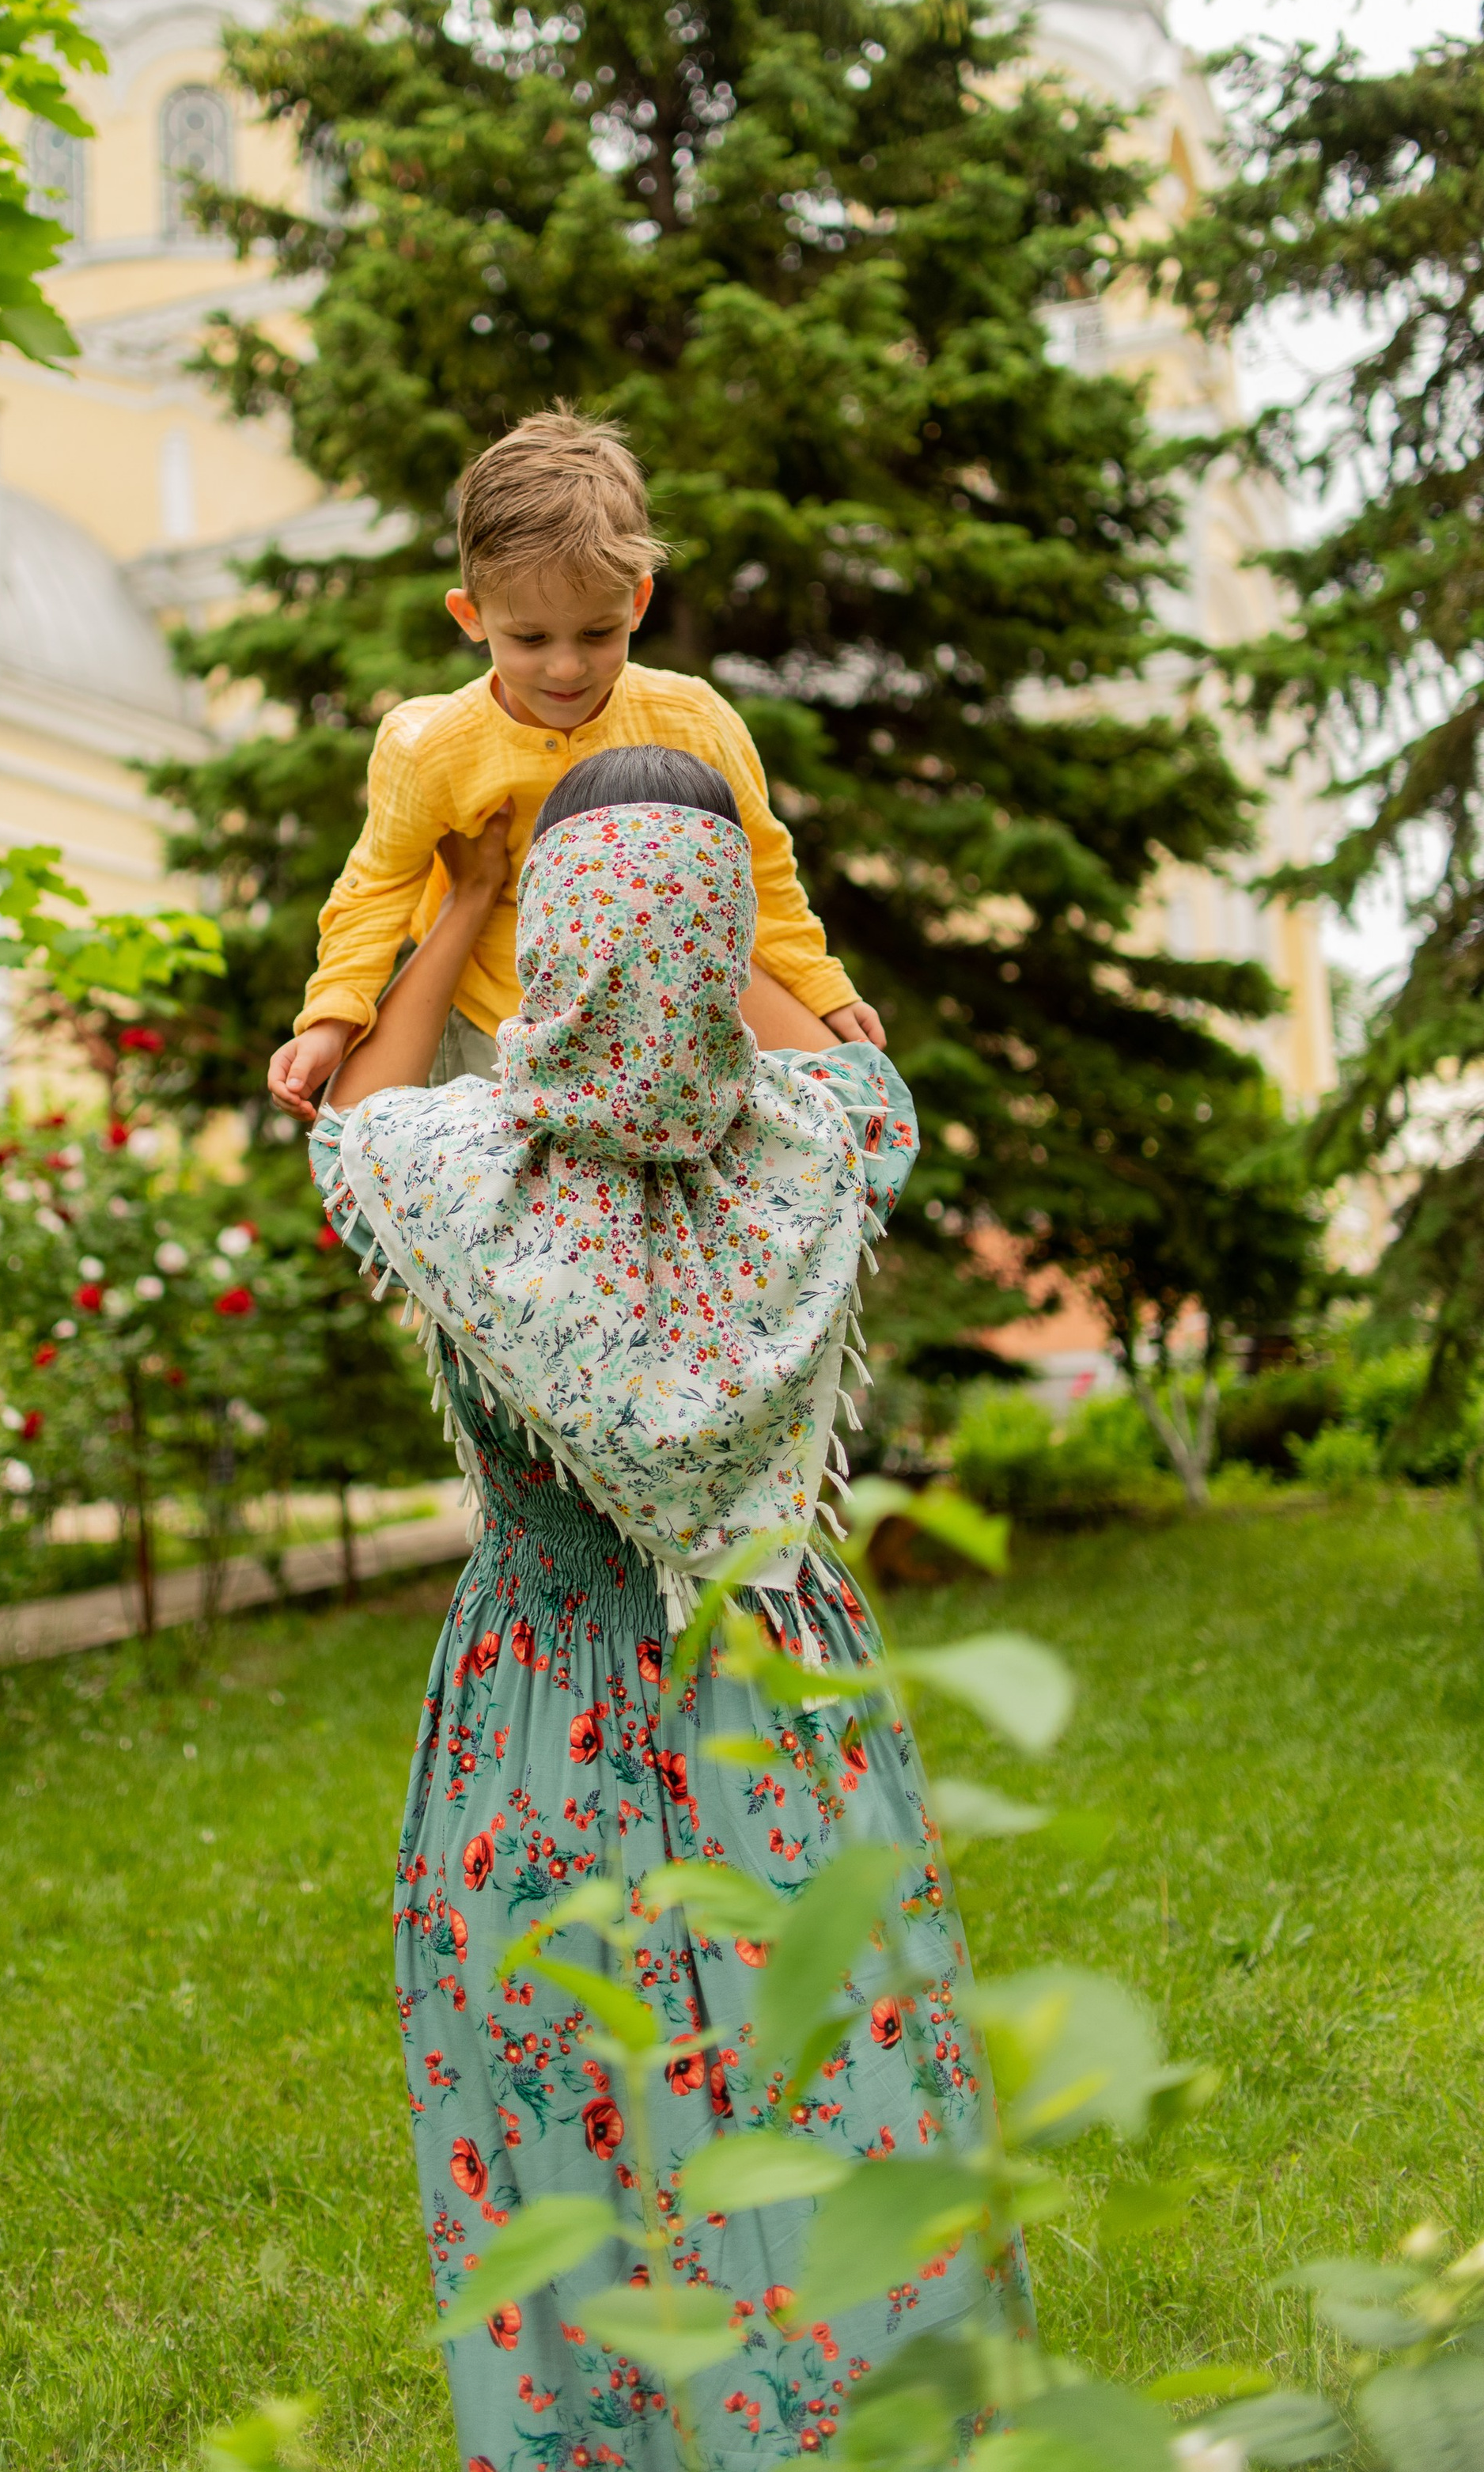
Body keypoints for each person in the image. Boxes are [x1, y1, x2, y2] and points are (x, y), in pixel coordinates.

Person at [310, 746, 1012, 2471]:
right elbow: (852, 1059)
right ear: (705, 944)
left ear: (558, 941)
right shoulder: (824, 1147)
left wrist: (461, 893)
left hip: (535, 1714)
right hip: (777, 1695)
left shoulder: (450, 1176)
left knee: (574, 2126)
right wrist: (729, 864)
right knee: (834, 2090)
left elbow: (339, 1122)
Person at [267, 411, 884, 1124]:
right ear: (471, 617)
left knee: (846, 1118)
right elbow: (375, 889)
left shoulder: (694, 721)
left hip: (665, 1025)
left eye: (597, 631)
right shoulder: (431, 745)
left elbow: (763, 874)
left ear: (639, 601)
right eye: (529, 637)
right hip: (495, 1025)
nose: (566, 667)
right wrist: (330, 1020)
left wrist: (824, 989)